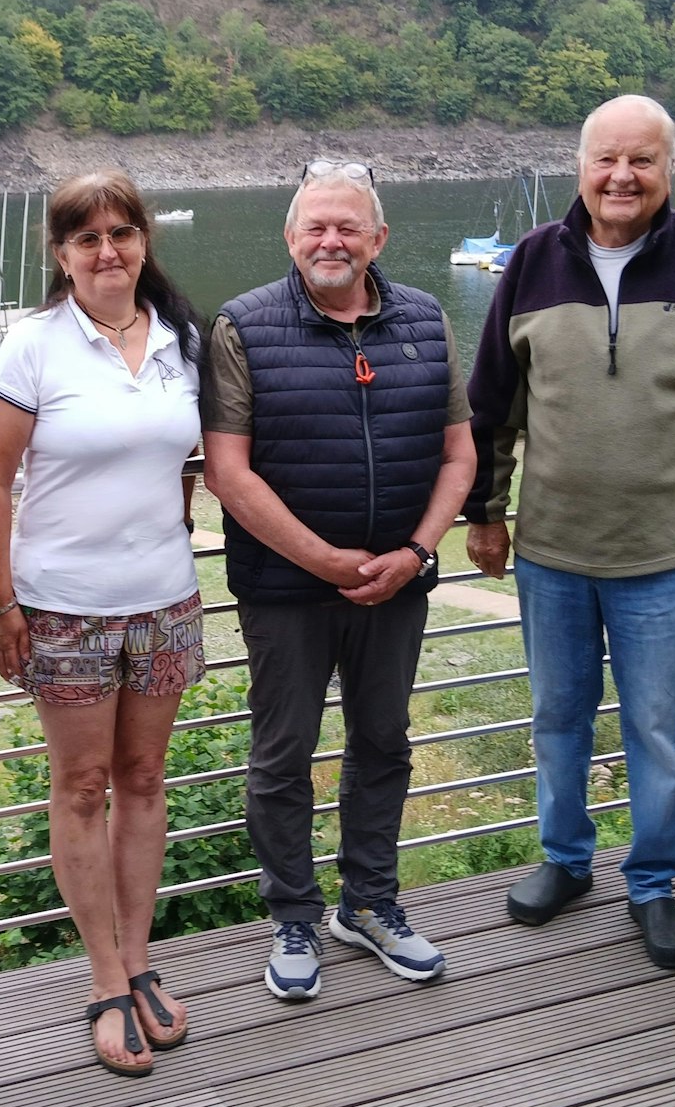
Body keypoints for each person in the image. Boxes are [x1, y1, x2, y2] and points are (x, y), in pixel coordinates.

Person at [462, 95, 675, 971]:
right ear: (580, 166)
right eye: (607, 159)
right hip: (552, 551)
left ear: (667, 169)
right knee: (557, 717)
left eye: (641, 161)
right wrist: (486, 513)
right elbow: (491, 406)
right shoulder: (531, 263)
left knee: (653, 725)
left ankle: (653, 883)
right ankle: (565, 860)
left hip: (666, 556)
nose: (622, 177)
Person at [203, 159, 475, 1000]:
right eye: (315, 226)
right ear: (290, 237)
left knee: (385, 742)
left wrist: (419, 551)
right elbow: (228, 472)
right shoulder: (242, 325)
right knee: (283, 754)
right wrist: (323, 561)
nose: (331, 239)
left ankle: (370, 902)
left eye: (348, 226)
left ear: (378, 238)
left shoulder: (427, 321)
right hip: (286, 591)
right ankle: (293, 912)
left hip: (398, 582)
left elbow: (459, 451)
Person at [0, 170, 205, 1078]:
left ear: (144, 238)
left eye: (122, 232)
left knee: (144, 777)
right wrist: (2, 604)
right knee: (80, 784)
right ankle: (105, 975)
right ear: (62, 255)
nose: (107, 251)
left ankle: (141, 958)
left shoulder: (182, 337)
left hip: (164, 596)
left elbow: (188, 460)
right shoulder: (33, 346)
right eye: (86, 238)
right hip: (61, 603)